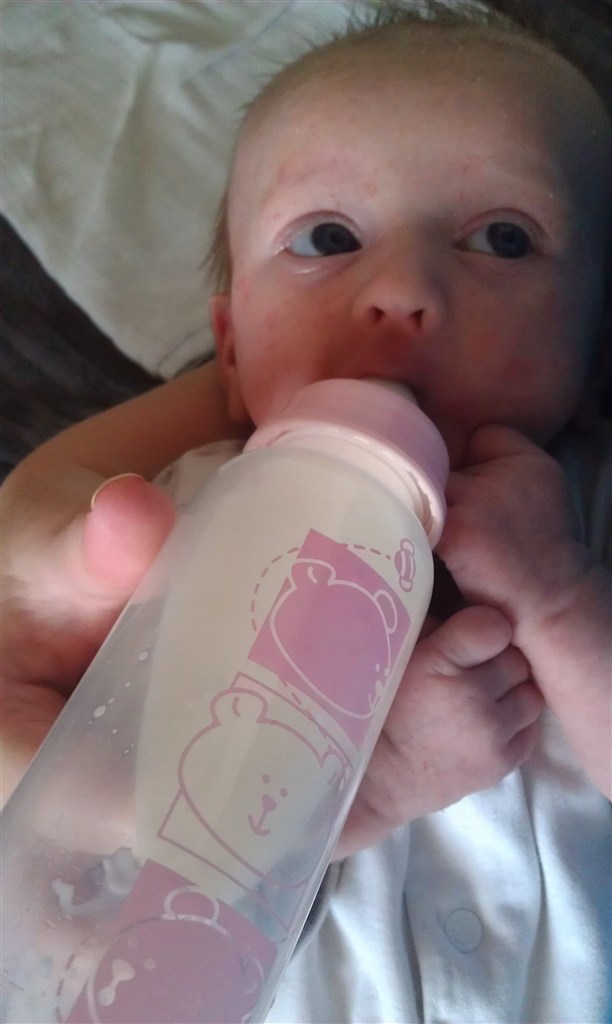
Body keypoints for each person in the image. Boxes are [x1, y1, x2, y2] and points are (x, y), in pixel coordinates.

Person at [1, 3, 610, 1021]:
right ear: (232, 349)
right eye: (328, 237)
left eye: (503, 238)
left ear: (594, 354)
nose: (403, 288)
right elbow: (110, 854)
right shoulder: (190, 513)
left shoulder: (588, 510)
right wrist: (374, 790)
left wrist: (560, 596)